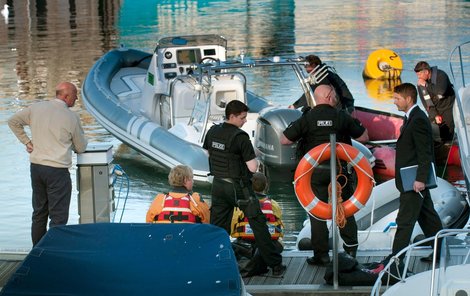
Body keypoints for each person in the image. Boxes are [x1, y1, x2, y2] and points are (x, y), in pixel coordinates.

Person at [281, 84, 369, 265]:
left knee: (316, 213)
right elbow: (364, 138)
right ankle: (351, 250)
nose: (336, 96)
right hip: (339, 173)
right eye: (335, 94)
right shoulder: (341, 116)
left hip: (314, 173)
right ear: (329, 97)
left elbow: (284, 140)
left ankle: (320, 255)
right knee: (345, 209)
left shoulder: (307, 117)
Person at [203, 100, 286, 276]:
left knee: (218, 228)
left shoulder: (212, 131)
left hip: (218, 185)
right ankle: (275, 266)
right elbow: (253, 168)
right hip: (239, 188)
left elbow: (208, 153)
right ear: (231, 116)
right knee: (259, 225)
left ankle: (215, 263)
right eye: (242, 118)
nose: (244, 121)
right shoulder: (240, 137)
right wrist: (247, 155)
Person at [8, 82, 88, 246]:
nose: (76, 98)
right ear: (66, 96)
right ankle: (53, 254)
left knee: (39, 213)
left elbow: (13, 121)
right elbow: (81, 147)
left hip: (36, 169)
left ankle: (37, 252)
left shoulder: (36, 108)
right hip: (57, 171)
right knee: (58, 218)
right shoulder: (71, 117)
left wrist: (27, 142)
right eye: (75, 95)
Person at [390, 82, 443, 263]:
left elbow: (424, 152)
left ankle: (395, 262)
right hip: (411, 180)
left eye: (397, 98)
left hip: (414, 182)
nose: (394, 102)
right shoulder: (411, 117)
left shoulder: (418, 119)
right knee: (428, 217)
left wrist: (420, 179)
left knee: (404, 222)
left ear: (408, 99)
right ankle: (440, 253)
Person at [231, 172, 284, 277]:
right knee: (278, 245)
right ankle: (266, 261)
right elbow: (279, 226)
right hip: (269, 245)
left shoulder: (241, 205)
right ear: (266, 186)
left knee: (233, 246)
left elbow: (233, 229)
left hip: (246, 245)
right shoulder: (273, 204)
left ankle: (252, 259)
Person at [288, 54, 355, 113]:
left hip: (345, 106)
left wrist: (294, 106)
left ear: (314, 65)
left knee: (307, 109)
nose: (305, 69)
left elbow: (311, 91)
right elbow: (310, 92)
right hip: (343, 102)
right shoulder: (324, 72)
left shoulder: (322, 76)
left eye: (306, 66)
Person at [414, 61, 455, 143]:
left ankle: (449, 145)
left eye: (419, 75)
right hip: (434, 107)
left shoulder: (441, 75)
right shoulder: (421, 83)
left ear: (426, 72)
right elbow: (426, 101)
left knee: (447, 132)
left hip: (448, 106)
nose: (418, 77)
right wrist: (435, 115)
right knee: (431, 130)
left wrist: (426, 85)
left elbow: (441, 91)